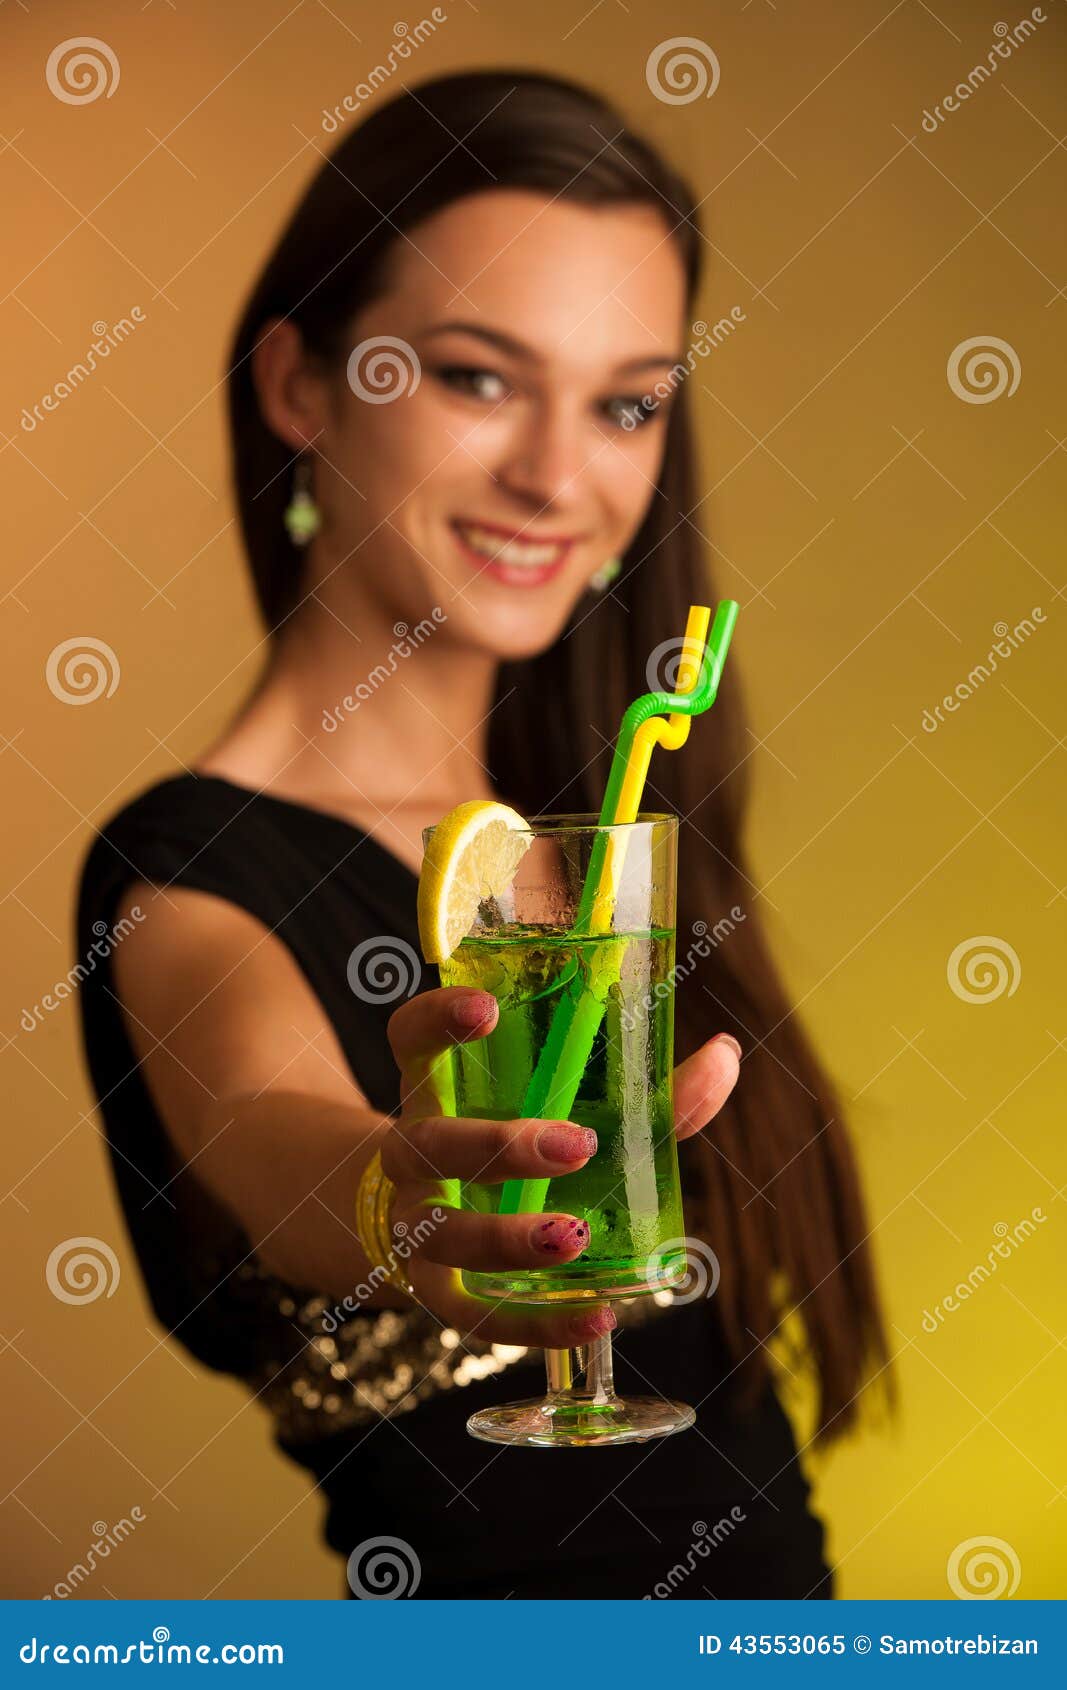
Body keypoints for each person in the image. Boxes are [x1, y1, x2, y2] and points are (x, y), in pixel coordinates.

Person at [76, 70, 887, 1600]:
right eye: (475, 376)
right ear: (300, 385)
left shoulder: (611, 836)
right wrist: (407, 1196)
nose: (557, 475)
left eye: (627, 401)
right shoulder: (187, 882)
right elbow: (275, 1127)